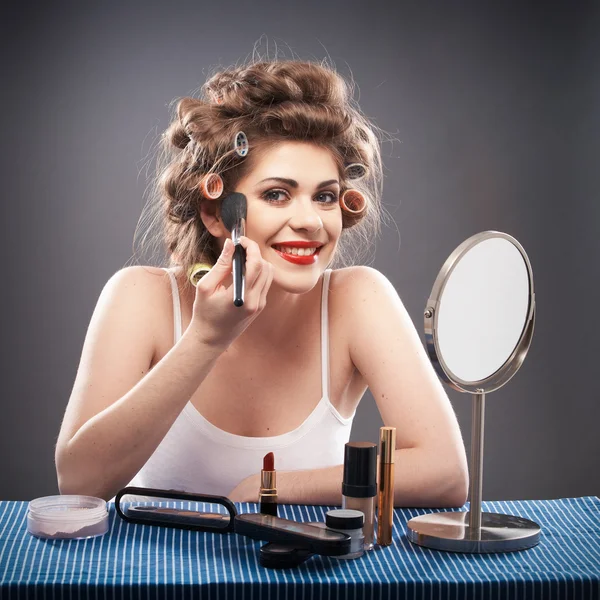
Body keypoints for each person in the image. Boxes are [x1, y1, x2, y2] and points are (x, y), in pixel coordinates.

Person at [55, 59, 469, 506]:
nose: (310, 221)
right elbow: (78, 482)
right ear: (216, 214)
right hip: (158, 571)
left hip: (303, 574)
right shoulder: (141, 297)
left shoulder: (358, 298)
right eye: (277, 194)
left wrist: (268, 489)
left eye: (325, 197)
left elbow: (445, 473)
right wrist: (206, 339)